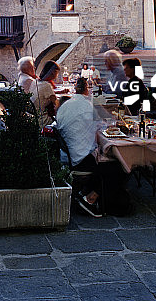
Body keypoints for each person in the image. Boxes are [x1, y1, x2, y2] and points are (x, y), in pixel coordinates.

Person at [56, 78, 130, 217]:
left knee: (112, 162)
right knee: (122, 166)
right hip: (82, 159)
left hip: (70, 154)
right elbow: (106, 127)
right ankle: (91, 198)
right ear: (87, 90)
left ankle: (92, 193)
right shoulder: (88, 106)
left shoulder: (65, 105)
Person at [30, 60, 60, 129]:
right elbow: (56, 104)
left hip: (34, 117)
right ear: (53, 72)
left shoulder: (35, 82)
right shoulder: (47, 85)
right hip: (43, 120)